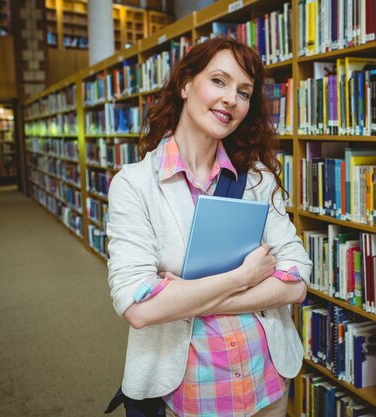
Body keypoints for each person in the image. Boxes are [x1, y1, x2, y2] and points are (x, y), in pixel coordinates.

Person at [106, 38, 313, 417]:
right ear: (185, 85)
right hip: (191, 389)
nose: (231, 98)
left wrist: (185, 294)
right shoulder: (135, 185)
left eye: (244, 92)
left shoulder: (257, 179)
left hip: (265, 378)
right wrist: (245, 277)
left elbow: (297, 278)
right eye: (219, 81)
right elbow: (138, 306)